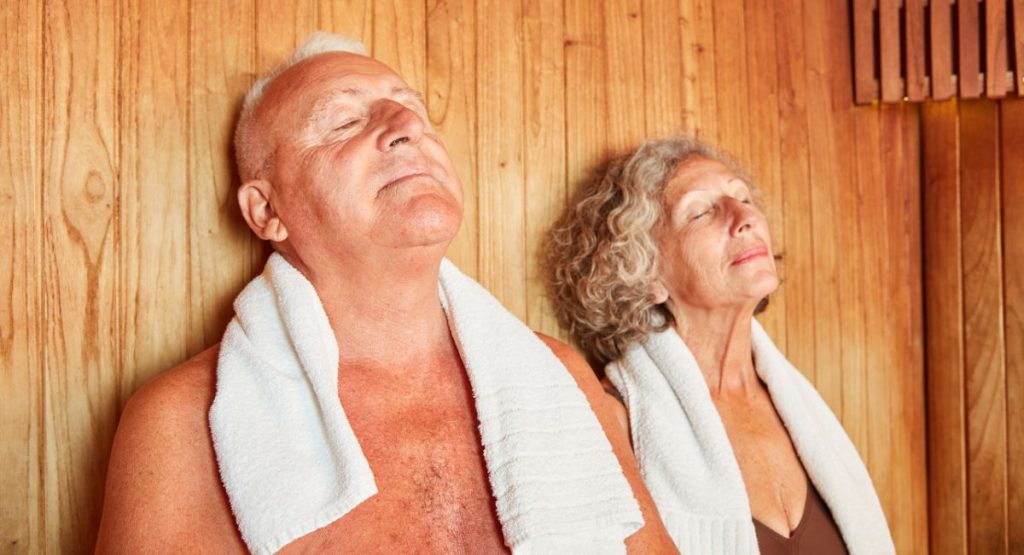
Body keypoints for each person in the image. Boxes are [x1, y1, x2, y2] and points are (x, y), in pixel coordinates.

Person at [95, 34, 675, 554]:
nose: (407, 125)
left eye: (414, 109)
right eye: (344, 122)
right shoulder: (181, 422)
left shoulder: (559, 376)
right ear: (267, 210)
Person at [546, 136, 895, 554]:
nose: (743, 215)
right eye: (701, 211)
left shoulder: (803, 412)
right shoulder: (618, 420)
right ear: (645, 274)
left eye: (742, 196)